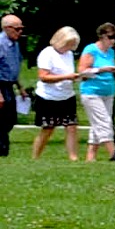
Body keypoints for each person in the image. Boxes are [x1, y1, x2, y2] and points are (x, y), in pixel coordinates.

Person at [28, 27, 82, 160]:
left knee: (71, 127)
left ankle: (73, 157)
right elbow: (43, 77)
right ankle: (35, 157)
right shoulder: (47, 54)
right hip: (48, 97)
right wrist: (65, 77)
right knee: (48, 128)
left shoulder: (68, 55)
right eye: (68, 44)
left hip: (67, 95)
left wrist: (77, 77)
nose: (70, 48)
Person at [78, 22, 115, 159]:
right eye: (110, 37)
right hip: (92, 92)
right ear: (102, 36)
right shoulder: (91, 50)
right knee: (104, 122)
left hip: (108, 91)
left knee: (98, 124)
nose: (113, 41)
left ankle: (91, 155)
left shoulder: (111, 52)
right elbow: (82, 72)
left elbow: (111, 71)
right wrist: (101, 70)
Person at [0, 12, 21, 155]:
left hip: (9, 85)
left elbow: (14, 66)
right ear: (7, 28)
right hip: (1, 85)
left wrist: (21, 87)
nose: (20, 32)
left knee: (10, 118)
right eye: (17, 29)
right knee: (2, 119)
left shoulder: (15, 44)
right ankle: (2, 150)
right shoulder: (0, 44)